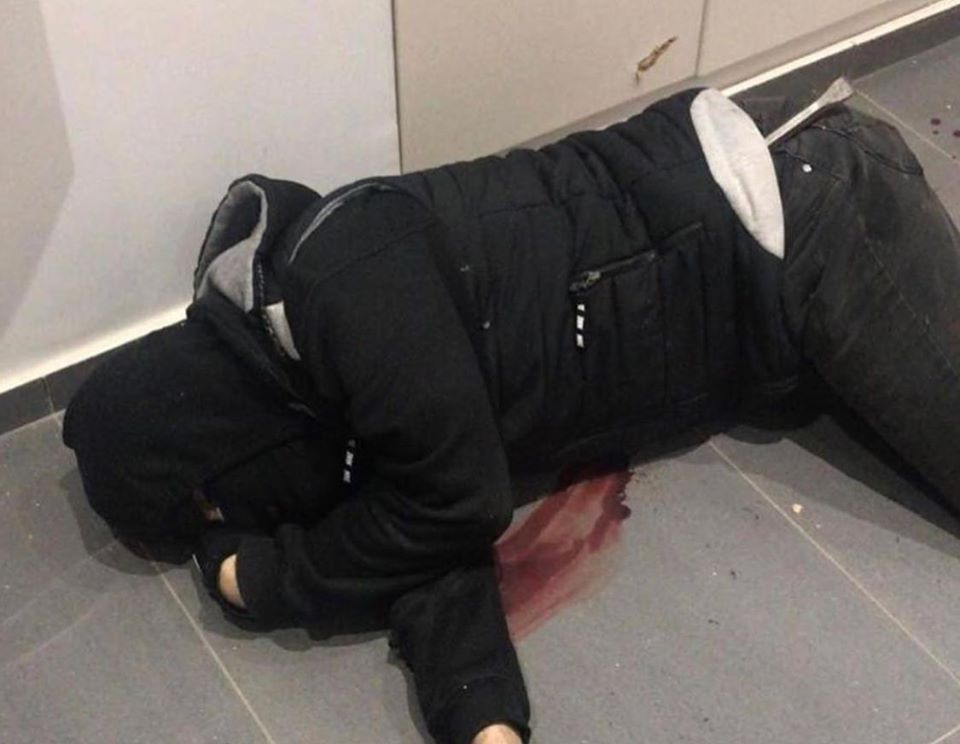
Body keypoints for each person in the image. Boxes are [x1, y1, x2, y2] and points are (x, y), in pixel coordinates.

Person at [62, 85, 960, 744]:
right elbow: (409, 537)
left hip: (805, 209)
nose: (242, 518)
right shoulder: (304, 390)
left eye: (215, 505)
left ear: (204, 431)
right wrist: (481, 718)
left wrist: (265, 582)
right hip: (767, 322)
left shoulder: (341, 277)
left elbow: (453, 501)